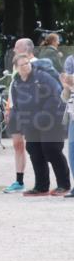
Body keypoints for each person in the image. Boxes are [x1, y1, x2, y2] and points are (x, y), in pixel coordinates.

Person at [10, 52, 70, 196]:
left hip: (51, 121)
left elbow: (56, 96)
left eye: (27, 63)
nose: (25, 67)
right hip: (30, 123)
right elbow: (16, 103)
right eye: (22, 65)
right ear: (16, 67)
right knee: (34, 151)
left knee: (52, 150)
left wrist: (42, 117)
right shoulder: (17, 81)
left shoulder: (43, 77)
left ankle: (64, 185)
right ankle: (41, 186)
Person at [3, 38, 58, 193]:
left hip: (33, 112)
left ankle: (43, 181)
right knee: (17, 144)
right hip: (16, 109)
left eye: (17, 47)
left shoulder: (39, 65)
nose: (14, 50)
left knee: (37, 147)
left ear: (27, 49)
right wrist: (8, 107)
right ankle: (19, 180)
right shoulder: (16, 64)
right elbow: (14, 86)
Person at [62, 55, 74, 197]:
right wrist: (66, 87)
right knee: (72, 152)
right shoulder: (71, 60)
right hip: (73, 116)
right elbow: (65, 97)